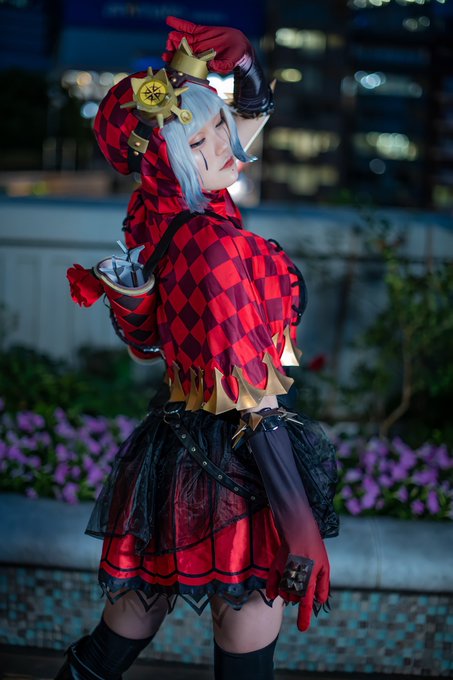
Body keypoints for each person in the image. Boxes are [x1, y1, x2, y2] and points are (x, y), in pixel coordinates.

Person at [59, 16, 339, 680]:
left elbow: (234, 136)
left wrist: (245, 75)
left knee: (122, 633)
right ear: (167, 160)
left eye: (218, 126)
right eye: (199, 138)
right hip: (238, 458)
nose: (225, 143)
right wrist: (299, 523)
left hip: (175, 450)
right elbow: (251, 398)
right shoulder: (211, 245)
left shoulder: (173, 216)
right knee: (244, 642)